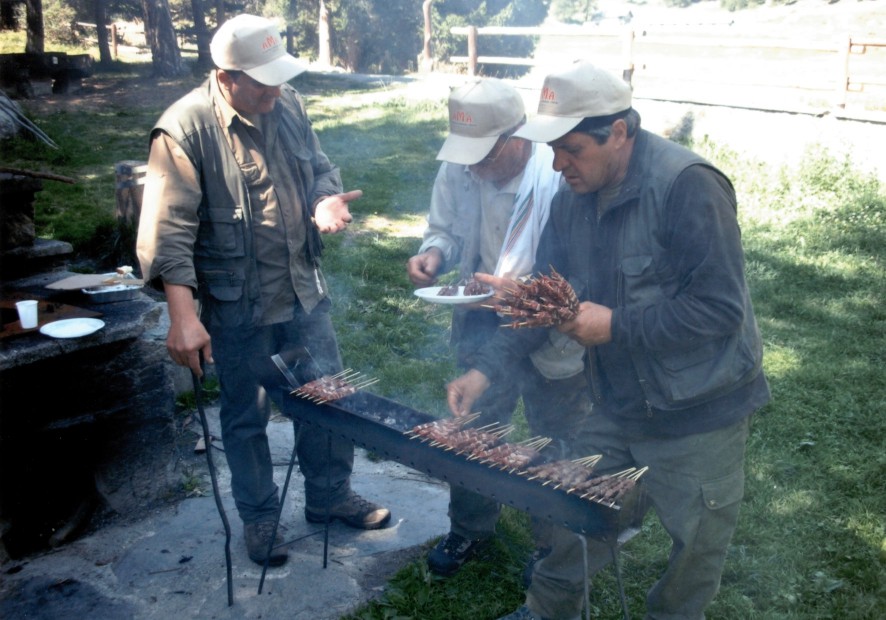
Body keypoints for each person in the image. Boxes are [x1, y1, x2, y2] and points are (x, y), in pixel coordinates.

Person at [446, 61, 771, 620]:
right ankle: (546, 611)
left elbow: (720, 309)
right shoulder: (572, 197)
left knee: (694, 546)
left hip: (699, 409)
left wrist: (615, 325)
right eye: (553, 150)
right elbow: (548, 298)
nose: (558, 164)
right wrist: (485, 369)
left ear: (618, 132)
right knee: (571, 505)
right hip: (617, 400)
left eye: (571, 149)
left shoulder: (689, 186)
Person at [136, 14, 390, 568]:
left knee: (327, 397)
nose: (275, 92)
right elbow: (167, 231)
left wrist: (323, 201)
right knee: (245, 413)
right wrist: (183, 316)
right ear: (226, 77)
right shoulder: (184, 130)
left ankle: (329, 495)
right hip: (237, 305)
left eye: (279, 79)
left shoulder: (287, 103)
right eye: (262, 83)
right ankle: (260, 518)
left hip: (302, 289)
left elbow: (320, 169)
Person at [407, 78, 588, 576]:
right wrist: (434, 252)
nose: (473, 167)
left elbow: (576, 272)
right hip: (482, 317)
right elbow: (443, 226)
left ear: (518, 138)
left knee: (557, 437)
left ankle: (551, 545)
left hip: (556, 327)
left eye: (484, 155)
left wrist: (533, 298)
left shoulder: (559, 178)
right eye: (467, 155)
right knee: (473, 426)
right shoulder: (460, 164)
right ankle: (470, 528)